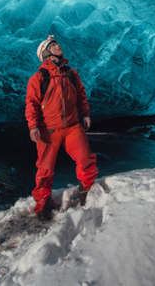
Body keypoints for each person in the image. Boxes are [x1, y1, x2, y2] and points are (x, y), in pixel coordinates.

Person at [25, 35, 98, 221]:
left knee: (85, 159)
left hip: (73, 126)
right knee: (45, 169)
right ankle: (43, 205)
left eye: (57, 44)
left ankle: (88, 194)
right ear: (46, 53)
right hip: (48, 130)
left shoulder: (71, 73)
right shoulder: (38, 78)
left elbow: (81, 94)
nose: (58, 46)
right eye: (53, 45)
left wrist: (86, 114)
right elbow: (31, 104)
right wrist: (33, 126)